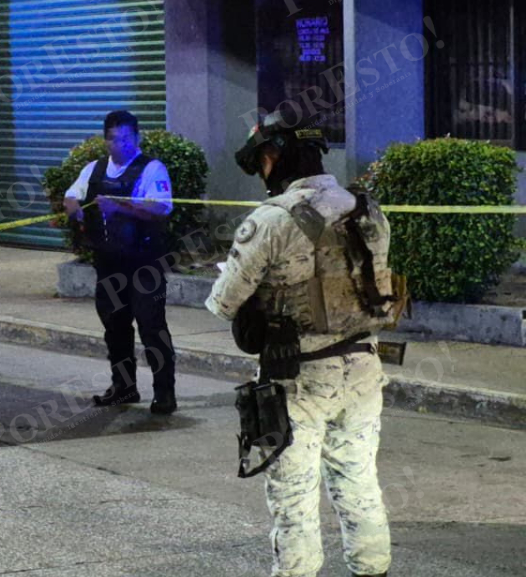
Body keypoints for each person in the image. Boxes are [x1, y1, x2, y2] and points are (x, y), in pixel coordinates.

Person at [206, 111, 394, 577]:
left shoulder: (271, 219)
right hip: (364, 364)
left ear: (273, 156)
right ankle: (374, 570)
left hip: (299, 377)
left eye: (262, 163)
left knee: (293, 499)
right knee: (359, 485)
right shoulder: (367, 210)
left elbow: (225, 303)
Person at [63, 109, 177, 414]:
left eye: (126, 138)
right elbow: (72, 195)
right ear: (105, 140)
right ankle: (124, 387)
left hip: (145, 263)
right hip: (108, 262)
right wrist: (73, 208)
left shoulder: (152, 169)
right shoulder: (94, 170)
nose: (120, 145)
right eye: (114, 139)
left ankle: (165, 392)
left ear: (136, 138)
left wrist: (121, 207)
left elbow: (161, 209)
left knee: (152, 327)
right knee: (115, 328)